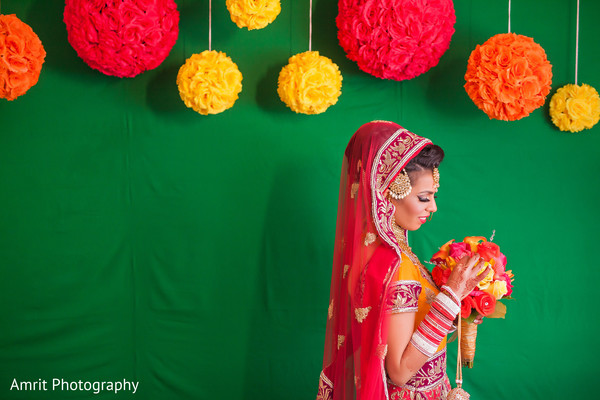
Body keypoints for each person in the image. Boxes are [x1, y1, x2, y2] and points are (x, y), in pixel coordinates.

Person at [316, 121, 490, 400]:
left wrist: (460, 311)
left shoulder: (385, 252)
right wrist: (452, 295)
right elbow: (398, 370)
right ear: (389, 191)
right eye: (424, 198)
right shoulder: (395, 265)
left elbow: (404, 331)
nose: (433, 207)